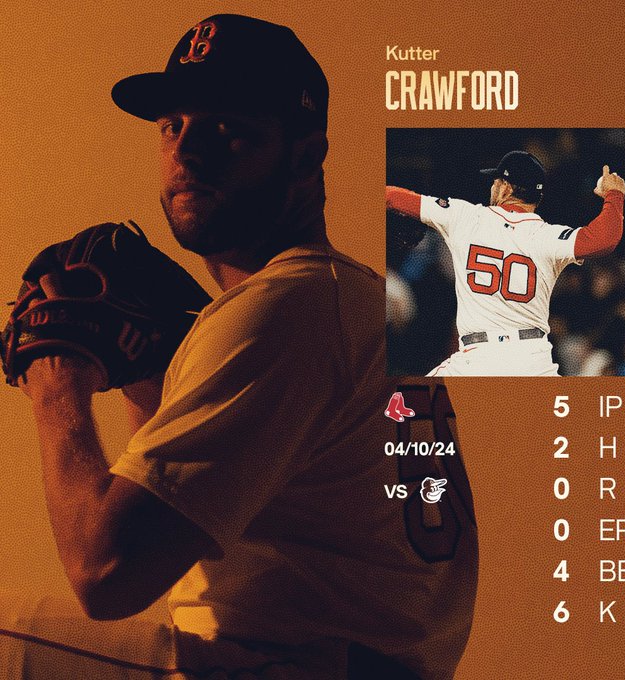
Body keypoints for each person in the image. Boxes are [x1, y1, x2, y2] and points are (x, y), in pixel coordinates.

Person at [0, 14, 478, 680]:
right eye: (174, 125)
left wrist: (56, 381)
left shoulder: (285, 306)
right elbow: (186, 519)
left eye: (229, 126)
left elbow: (106, 569)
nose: (188, 149)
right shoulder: (348, 299)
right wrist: (147, 375)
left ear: (307, 154)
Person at [386, 151, 625, 376]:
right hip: (534, 361)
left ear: (505, 188)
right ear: (538, 197)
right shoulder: (548, 237)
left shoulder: (464, 216)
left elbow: (393, 197)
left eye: (495, 181)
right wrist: (614, 195)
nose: (492, 186)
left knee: (401, 411)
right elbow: (604, 239)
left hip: (477, 360)